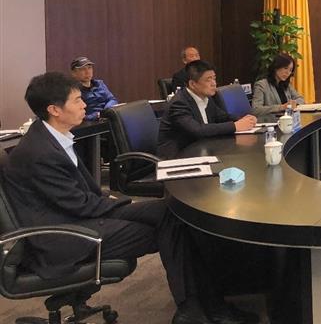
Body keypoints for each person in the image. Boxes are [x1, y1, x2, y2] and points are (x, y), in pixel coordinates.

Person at [5, 72, 256, 324]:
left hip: (78, 215)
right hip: (65, 236)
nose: (84, 105)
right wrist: (125, 204)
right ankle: (203, 308)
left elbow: (80, 198)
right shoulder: (40, 153)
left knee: (173, 212)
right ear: (54, 110)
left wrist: (120, 204)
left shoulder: (51, 137)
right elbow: (79, 205)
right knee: (171, 228)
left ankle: (198, 307)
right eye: (77, 100)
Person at [158, 60, 256, 158]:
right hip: (178, 157)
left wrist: (244, 120)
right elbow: (197, 130)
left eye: (214, 78)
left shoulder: (207, 97)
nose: (214, 83)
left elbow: (222, 117)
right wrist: (235, 126)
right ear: (192, 84)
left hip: (201, 151)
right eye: (208, 80)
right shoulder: (179, 103)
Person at [251, 54, 305, 122]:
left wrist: (293, 103)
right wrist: (281, 107)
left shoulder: (286, 85)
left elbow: (301, 99)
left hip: (288, 122)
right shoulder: (262, 85)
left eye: (290, 70)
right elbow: (256, 109)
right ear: (276, 67)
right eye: (285, 68)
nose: (288, 73)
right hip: (270, 123)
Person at [70, 56, 118, 121]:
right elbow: (77, 116)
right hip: (92, 123)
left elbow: (112, 99)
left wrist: (106, 112)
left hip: (108, 116)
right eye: (82, 69)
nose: (87, 72)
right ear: (74, 73)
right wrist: (97, 115)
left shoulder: (99, 83)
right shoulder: (73, 91)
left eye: (89, 68)